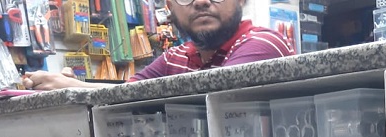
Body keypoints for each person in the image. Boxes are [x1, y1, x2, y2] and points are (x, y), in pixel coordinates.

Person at [22, 0, 294, 90]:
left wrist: (75, 88)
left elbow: (214, 96)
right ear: (169, 6)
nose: (201, 2)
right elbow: (128, 94)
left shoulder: (263, 44)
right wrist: (69, 86)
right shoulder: (176, 57)